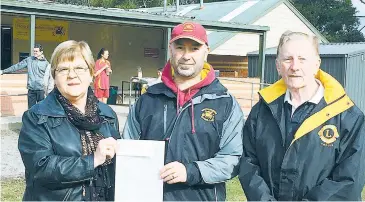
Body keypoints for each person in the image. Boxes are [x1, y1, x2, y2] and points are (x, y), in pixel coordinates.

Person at [122, 22, 244, 201]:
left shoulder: (224, 102)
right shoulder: (147, 100)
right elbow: (128, 149)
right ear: (171, 49)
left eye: (194, 48)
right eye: (180, 47)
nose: (186, 56)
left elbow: (233, 158)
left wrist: (191, 171)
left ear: (206, 51)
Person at [239, 31, 365, 201]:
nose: (295, 66)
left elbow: (349, 180)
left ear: (316, 64)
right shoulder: (261, 112)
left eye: (302, 59)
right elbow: (249, 165)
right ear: (278, 65)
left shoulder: (348, 117)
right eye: (287, 59)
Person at [18, 40, 120, 201]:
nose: (72, 75)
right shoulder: (37, 116)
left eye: (79, 68)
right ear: (54, 76)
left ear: (91, 72)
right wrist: (93, 160)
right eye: (64, 69)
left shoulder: (107, 114)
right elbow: (41, 167)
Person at [0, 44, 51, 108]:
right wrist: (3, 71)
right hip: (31, 89)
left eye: (36, 51)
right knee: (30, 110)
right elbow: (17, 66)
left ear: (41, 52)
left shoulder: (46, 63)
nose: (35, 53)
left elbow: (49, 77)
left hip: (41, 90)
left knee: (42, 110)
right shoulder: (29, 60)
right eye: (34, 51)